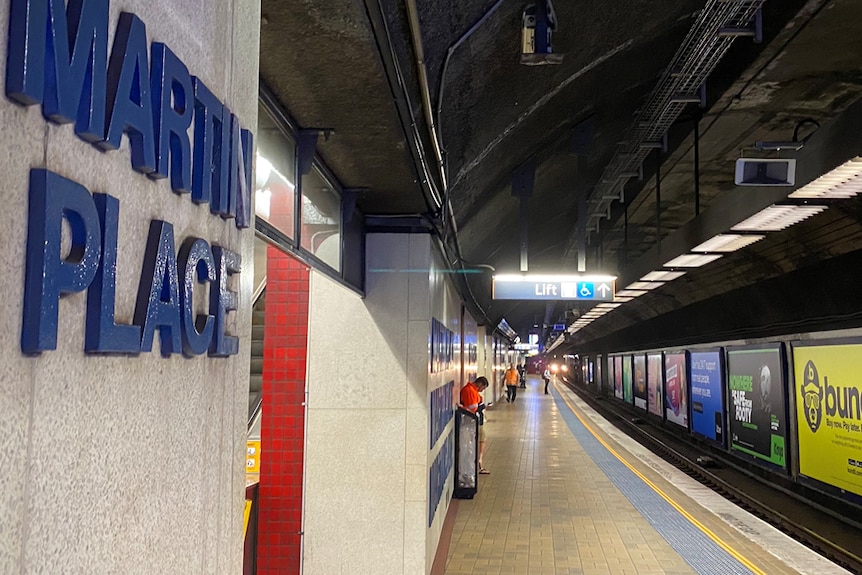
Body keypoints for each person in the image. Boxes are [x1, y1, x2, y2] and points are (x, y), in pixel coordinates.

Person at [460, 376, 490, 474]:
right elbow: (472, 408)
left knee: (481, 439)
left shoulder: (472, 390)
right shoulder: (470, 391)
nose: (482, 390)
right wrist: (481, 406)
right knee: (480, 439)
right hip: (472, 422)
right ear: (480, 384)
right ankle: (478, 462)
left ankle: (478, 462)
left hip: (476, 421)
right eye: (483, 388)